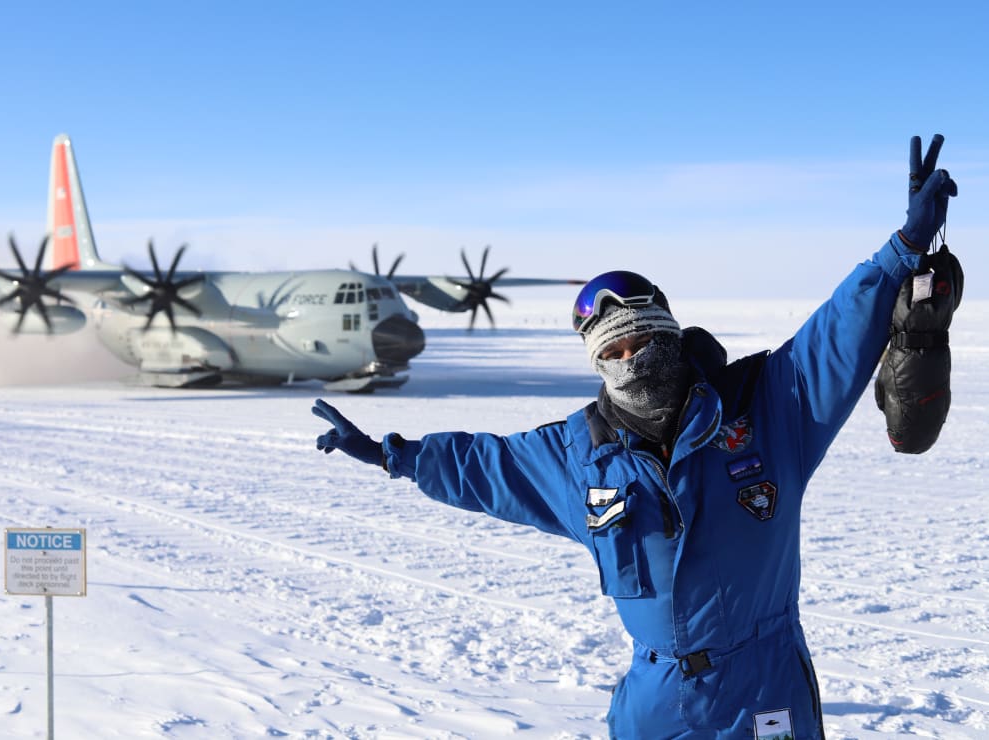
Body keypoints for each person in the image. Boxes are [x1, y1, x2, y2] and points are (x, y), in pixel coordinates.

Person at [312, 134, 957, 738]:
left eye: (643, 340)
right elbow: (486, 467)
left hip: (764, 694)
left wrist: (902, 249)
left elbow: (835, 338)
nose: (631, 359)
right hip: (656, 701)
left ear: (671, 335)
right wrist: (392, 455)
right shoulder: (580, 457)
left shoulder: (766, 408)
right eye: (613, 350)